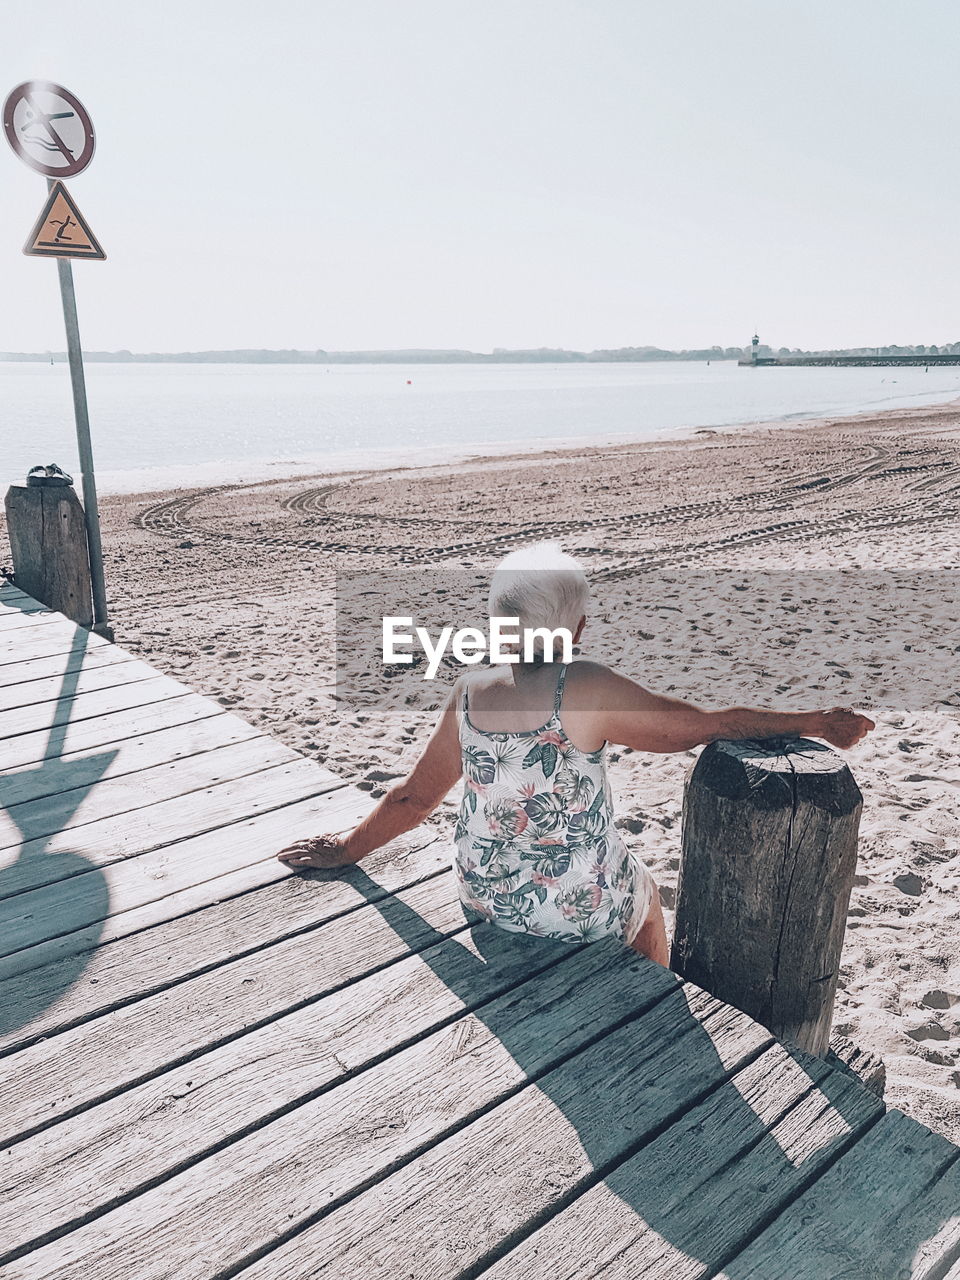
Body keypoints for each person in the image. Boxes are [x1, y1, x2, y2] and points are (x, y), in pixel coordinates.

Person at [277, 542, 874, 968]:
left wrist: (345, 849)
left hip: (484, 894)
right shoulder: (582, 687)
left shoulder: (469, 687)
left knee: (617, 874)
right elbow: (702, 727)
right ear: (578, 628)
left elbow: (414, 797)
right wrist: (814, 722)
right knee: (646, 892)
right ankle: (658, 1005)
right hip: (572, 909)